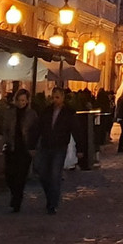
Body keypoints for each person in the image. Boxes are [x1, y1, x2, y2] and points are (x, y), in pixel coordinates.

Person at [34, 86, 75, 214]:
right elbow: (38, 128)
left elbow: (76, 130)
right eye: (53, 97)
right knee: (43, 174)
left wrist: (81, 148)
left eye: (57, 97)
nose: (55, 100)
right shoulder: (46, 111)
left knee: (55, 174)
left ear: (62, 98)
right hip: (46, 145)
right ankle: (50, 197)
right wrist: (33, 144)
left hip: (59, 147)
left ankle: (53, 203)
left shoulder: (68, 113)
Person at [3, 88, 38, 213]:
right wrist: (6, 140)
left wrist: (33, 147)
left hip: (25, 149)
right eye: (19, 100)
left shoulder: (31, 114)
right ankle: (15, 195)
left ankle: (17, 201)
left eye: (23, 100)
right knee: (9, 175)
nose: (21, 102)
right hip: (12, 147)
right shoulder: (10, 113)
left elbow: (35, 132)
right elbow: (5, 129)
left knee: (20, 177)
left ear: (27, 101)